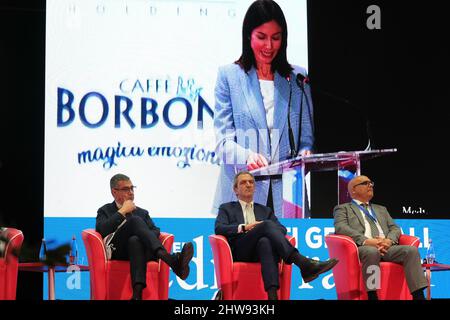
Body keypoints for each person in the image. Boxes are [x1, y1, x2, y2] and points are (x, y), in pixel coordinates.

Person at [213, 0, 314, 216]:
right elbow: (223, 144)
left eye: (275, 38)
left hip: (288, 195)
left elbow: (306, 138)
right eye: (261, 37)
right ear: (248, 36)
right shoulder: (229, 76)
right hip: (243, 189)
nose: (269, 46)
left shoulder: (297, 78)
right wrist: (247, 155)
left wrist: (306, 152)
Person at [215, 171, 338, 300]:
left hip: (260, 251)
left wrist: (263, 229)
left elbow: (281, 229)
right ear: (235, 189)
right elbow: (219, 228)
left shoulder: (265, 210)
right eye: (243, 182)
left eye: (251, 182)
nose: (248, 185)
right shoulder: (226, 208)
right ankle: (303, 263)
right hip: (241, 250)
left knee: (265, 242)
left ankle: (272, 297)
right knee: (266, 225)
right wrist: (245, 227)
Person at [96, 173, 194, 300]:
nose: (131, 192)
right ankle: (170, 260)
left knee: (135, 240)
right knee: (134, 221)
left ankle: (137, 295)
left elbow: (155, 231)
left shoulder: (142, 212)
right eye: (126, 189)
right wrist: (122, 212)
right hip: (117, 250)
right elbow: (102, 229)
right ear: (114, 192)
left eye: (132, 188)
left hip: (139, 250)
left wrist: (141, 235)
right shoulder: (105, 210)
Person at [333, 175, 428, 300]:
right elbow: (341, 227)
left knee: (411, 251)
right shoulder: (343, 208)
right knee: (371, 251)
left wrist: (389, 241)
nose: (370, 185)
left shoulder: (381, 209)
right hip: (363, 248)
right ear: (353, 190)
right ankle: (372, 295)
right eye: (365, 183)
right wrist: (366, 241)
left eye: (371, 183)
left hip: (387, 247)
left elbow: (395, 228)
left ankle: (418, 296)